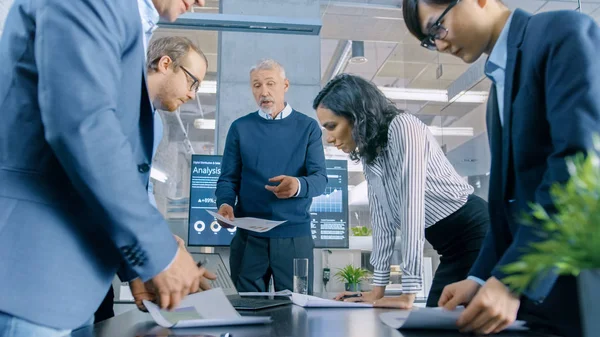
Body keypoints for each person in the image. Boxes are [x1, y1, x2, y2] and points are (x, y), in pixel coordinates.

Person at [0, 0, 210, 335]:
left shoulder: (130, 22)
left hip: (73, 285)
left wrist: (137, 266)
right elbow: (83, 128)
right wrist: (160, 254)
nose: (202, 1)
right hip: (31, 275)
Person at [403, 0, 600, 335]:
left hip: (577, 287)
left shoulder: (560, 33)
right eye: (429, 39)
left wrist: (511, 278)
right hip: (537, 300)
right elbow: (509, 206)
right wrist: (480, 277)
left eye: (437, 27)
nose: (439, 44)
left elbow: (577, 169)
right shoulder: (497, 89)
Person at [314, 73, 490, 309]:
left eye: (332, 126)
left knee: (447, 323)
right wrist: (377, 290)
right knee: (438, 322)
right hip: (450, 248)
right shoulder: (371, 154)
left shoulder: (403, 127)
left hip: (476, 234)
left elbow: (412, 209)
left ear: (356, 117)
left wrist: (408, 293)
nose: (328, 138)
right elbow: (382, 222)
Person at [94, 34, 212, 323]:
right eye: (192, 81)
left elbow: (140, 192)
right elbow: (109, 190)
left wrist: (141, 267)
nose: (193, 94)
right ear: (165, 64)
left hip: (100, 270)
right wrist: (157, 254)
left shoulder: (155, 123)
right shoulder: (110, 101)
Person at [216, 59, 327, 294]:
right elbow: (228, 178)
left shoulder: (308, 128)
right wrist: (224, 203)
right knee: (247, 309)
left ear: (285, 85)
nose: (263, 92)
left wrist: (298, 185)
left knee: (296, 313)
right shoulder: (240, 128)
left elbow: (320, 179)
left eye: (270, 84)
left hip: (294, 236)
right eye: (256, 85)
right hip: (249, 238)